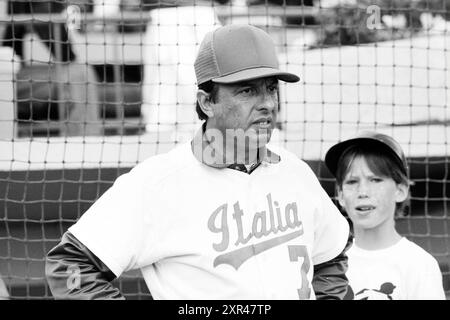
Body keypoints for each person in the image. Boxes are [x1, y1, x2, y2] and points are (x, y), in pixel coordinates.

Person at [45, 24, 352, 300]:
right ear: (207, 102)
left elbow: (331, 255)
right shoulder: (159, 182)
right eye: (247, 90)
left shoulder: (295, 171)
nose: (268, 104)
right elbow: (71, 265)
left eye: (271, 88)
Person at [324, 131, 446, 300]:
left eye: (375, 180)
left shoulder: (419, 265)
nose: (363, 192)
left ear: (400, 190)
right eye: (352, 182)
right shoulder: (326, 263)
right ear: (341, 195)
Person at [2, 0, 100, 136]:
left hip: (11, 73)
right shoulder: (39, 5)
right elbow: (65, 55)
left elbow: (67, 50)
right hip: (7, 80)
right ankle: (81, 143)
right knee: (79, 74)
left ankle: (82, 143)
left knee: (79, 73)